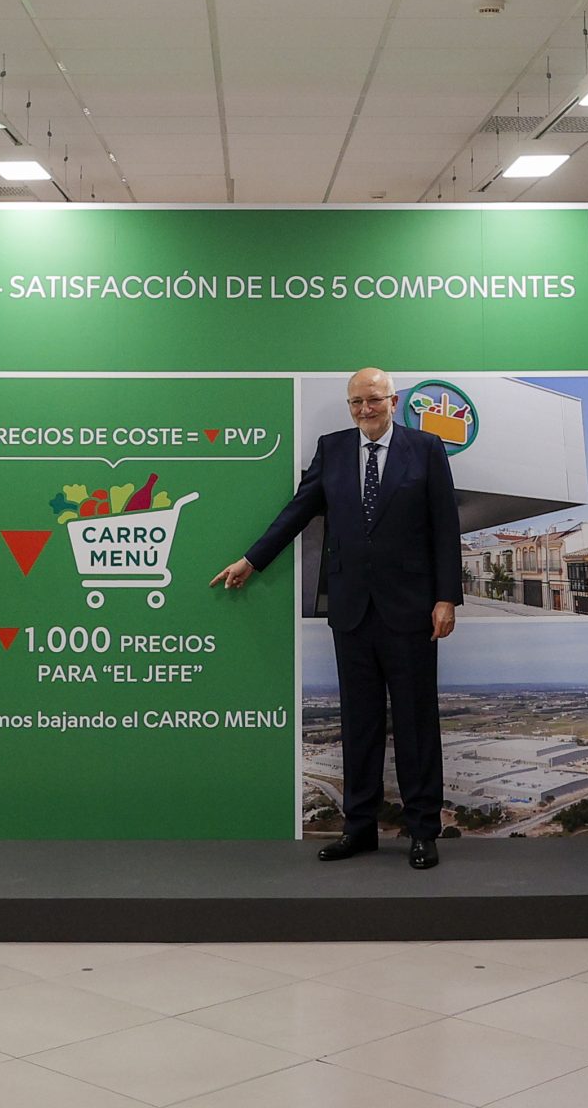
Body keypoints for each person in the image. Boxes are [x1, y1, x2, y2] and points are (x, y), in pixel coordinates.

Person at [212, 368, 461, 870]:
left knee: (415, 723)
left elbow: (444, 526)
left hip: (411, 610)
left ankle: (421, 830)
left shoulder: (426, 448)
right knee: (358, 724)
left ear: (393, 401)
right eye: (355, 402)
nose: (364, 409)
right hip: (350, 611)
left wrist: (446, 598)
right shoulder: (333, 449)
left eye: (373, 400)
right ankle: (359, 828)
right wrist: (252, 560)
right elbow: (298, 511)